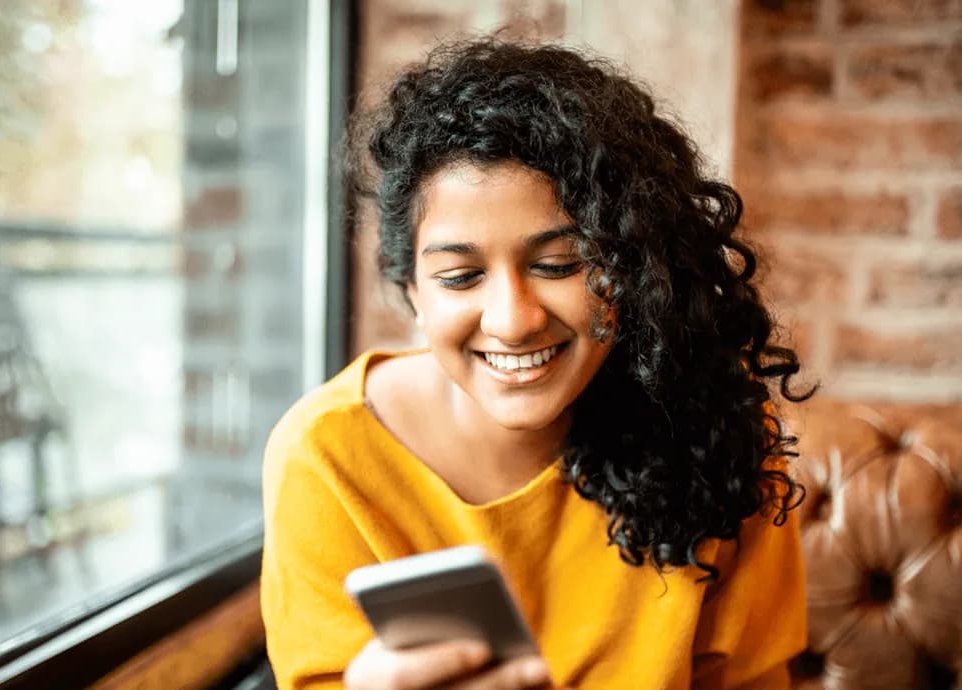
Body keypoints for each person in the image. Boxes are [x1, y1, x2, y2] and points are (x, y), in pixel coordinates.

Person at [261, 37, 813, 689]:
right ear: (412, 290)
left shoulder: (711, 417)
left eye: (558, 265)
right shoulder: (327, 457)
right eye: (461, 276)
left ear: (631, 264)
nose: (513, 319)